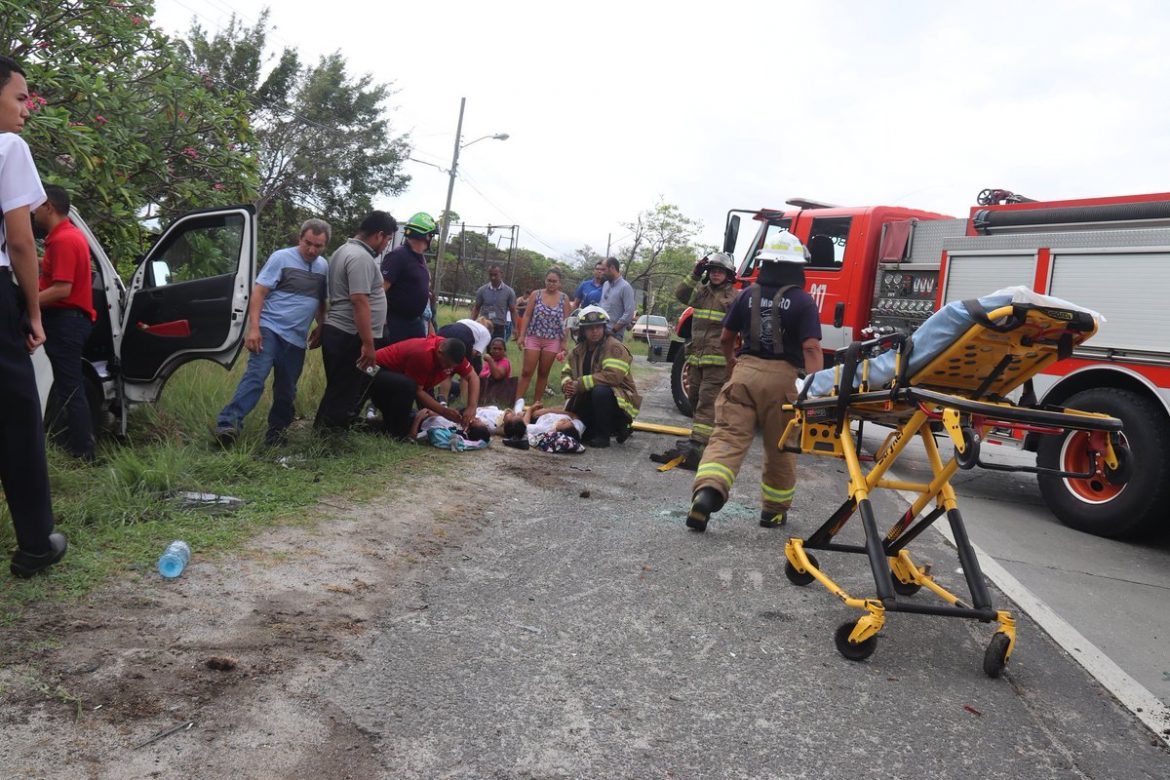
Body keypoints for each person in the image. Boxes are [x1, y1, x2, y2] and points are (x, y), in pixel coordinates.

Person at [687, 231, 823, 533]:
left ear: (765, 264)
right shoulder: (802, 301)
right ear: (797, 267)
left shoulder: (747, 295)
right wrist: (815, 390)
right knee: (781, 448)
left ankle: (707, 493)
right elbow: (811, 348)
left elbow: (726, 338)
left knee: (727, 437)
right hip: (783, 381)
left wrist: (734, 364)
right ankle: (772, 512)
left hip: (744, 373)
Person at [0, 55, 67, 577]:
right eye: (20, 98)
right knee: (18, 417)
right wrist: (32, 311)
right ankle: (36, 544)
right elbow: (22, 242)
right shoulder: (8, 147)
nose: (27, 110)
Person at [215, 219, 330, 445]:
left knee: (286, 390)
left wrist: (321, 325)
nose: (312, 250)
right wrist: (254, 328)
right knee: (256, 377)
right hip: (270, 330)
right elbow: (259, 292)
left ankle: (276, 435)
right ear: (300, 238)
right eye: (308, 243)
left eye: (318, 246)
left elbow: (320, 299)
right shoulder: (281, 258)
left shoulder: (323, 266)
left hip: (296, 339)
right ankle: (228, 424)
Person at [650, 252, 739, 470]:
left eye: (721, 271)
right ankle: (699, 442)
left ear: (729, 275)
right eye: (712, 271)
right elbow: (681, 294)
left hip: (718, 362)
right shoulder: (702, 293)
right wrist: (694, 274)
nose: (716, 274)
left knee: (708, 402)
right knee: (695, 399)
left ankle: (699, 447)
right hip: (696, 358)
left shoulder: (734, 299)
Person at [315, 211, 396, 430]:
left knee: (339, 388)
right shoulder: (360, 257)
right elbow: (359, 301)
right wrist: (368, 344)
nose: (386, 245)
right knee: (345, 390)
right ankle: (329, 439)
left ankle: (323, 433)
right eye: (388, 240)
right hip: (350, 334)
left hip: (342, 331)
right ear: (379, 235)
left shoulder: (344, 250)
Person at [34, 184, 96, 461]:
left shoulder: (63, 240)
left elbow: (62, 289)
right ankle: (73, 446)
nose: (32, 212)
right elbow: (52, 268)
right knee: (66, 385)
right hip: (69, 321)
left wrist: (26, 302)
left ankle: (83, 451)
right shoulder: (66, 236)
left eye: (36, 206)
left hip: (65, 321)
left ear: (49, 206)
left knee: (69, 386)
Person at [560, 305, 641, 448]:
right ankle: (605, 429)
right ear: (583, 331)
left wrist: (579, 384)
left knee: (600, 391)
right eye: (590, 328)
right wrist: (567, 385)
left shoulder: (614, 347)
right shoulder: (578, 351)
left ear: (604, 328)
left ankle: (607, 434)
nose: (594, 331)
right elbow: (567, 372)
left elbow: (613, 377)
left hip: (619, 401)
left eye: (598, 327)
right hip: (589, 397)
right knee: (579, 434)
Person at [367, 336, 479, 438]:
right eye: (446, 364)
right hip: (372, 371)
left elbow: (473, 377)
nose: (447, 369)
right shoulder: (424, 354)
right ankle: (397, 434)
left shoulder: (453, 355)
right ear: (440, 353)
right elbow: (418, 391)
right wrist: (444, 411)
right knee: (408, 387)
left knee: (410, 409)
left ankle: (387, 426)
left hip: (397, 378)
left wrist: (471, 407)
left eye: (452, 367)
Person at [514, 268, 572, 404]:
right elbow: (527, 315)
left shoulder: (564, 298)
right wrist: (522, 335)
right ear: (545, 281)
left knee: (543, 372)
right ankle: (517, 402)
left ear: (559, 283)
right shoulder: (536, 294)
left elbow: (566, 321)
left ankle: (536, 403)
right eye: (549, 281)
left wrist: (564, 342)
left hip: (553, 340)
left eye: (554, 281)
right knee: (527, 371)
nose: (551, 284)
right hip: (534, 337)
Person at [381, 211, 435, 345]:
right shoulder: (398, 256)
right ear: (427, 236)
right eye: (431, 235)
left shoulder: (420, 258)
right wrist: (383, 323)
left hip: (415, 323)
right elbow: (380, 290)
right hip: (396, 323)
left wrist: (430, 326)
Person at [436, 316, 491, 403]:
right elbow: (474, 352)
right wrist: (466, 366)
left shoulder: (468, 321)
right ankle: (463, 400)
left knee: (447, 372)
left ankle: (443, 401)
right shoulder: (487, 334)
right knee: (465, 374)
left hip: (444, 330)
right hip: (463, 337)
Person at [472, 264, 518, 341]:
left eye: (495, 274)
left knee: (495, 350)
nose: (493, 277)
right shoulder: (482, 290)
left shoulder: (509, 291)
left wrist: (515, 328)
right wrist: (471, 324)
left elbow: (513, 311)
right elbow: (476, 308)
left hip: (499, 326)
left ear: (501, 274)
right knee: (479, 349)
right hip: (484, 325)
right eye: (491, 275)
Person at [599, 256, 636, 341]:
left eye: (604, 269)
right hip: (601, 333)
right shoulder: (605, 285)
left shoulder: (625, 287)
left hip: (615, 336)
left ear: (612, 268)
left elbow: (629, 313)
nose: (602, 273)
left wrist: (613, 330)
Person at [479, 337, 516, 406]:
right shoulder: (489, 362)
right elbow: (481, 375)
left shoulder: (505, 362)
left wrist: (490, 361)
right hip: (489, 394)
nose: (497, 351)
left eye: (500, 349)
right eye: (494, 348)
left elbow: (497, 376)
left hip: (502, 394)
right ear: (490, 350)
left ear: (504, 351)